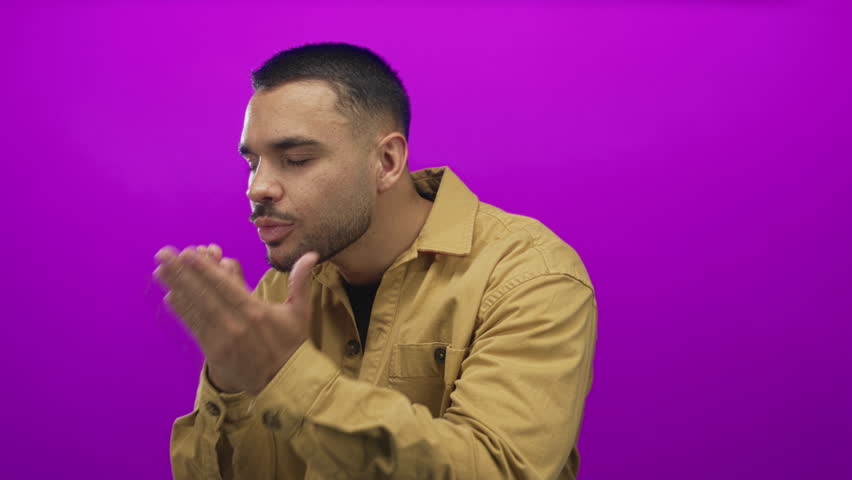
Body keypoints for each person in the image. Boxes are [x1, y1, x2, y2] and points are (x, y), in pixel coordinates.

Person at [154, 42, 597, 480]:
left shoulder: (530, 275)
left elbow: (498, 470)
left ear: (386, 162)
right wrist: (229, 381)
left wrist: (285, 376)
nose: (258, 188)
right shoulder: (278, 292)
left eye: (296, 159)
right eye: (253, 163)